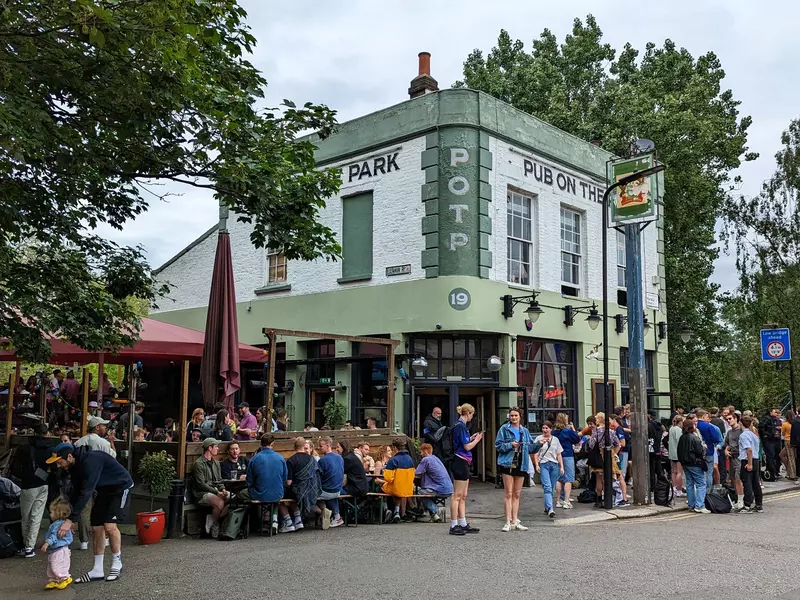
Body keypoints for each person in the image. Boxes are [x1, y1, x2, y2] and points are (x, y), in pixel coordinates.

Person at [46, 442, 134, 583]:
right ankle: (97, 570)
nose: (58, 465)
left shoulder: (90, 461)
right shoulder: (73, 467)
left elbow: (86, 492)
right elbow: (76, 492)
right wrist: (68, 518)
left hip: (121, 487)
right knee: (96, 527)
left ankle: (117, 563)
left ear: (69, 456)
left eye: (59, 461)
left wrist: (70, 521)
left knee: (109, 526)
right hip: (104, 490)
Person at [74, 415, 117, 551]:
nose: (105, 427)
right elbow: (112, 457)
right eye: (103, 425)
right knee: (101, 508)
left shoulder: (79, 442)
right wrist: (112, 443)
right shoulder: (103, 443)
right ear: (97, 427)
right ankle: (102, 538)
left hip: (83, 478)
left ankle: (84, 540)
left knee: (84, 509)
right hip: (101, 479)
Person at [495, 407, 539, 530]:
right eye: (512, 415)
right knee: (508, 493)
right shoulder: (504, 429)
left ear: (520, 417)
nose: (513, 418)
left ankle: (515, 520)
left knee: (517, 494)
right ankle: (507, 521)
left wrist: (540, 443)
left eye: (516, 415)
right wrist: (510, 445)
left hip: (521, 462)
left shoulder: (524, 431)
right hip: (507, 462)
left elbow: (530, 448)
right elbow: (498, 445)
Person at [15, 422, 52, 558]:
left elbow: (17, 467)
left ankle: (26, 545)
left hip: (28, 484)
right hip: (44, 483)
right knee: (36, 516)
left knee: (25, 516)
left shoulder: (25, 448)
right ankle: (30, 546)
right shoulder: (49, 448)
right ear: (46, 433)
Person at [449, 403, 482, 536]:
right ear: (468, 413)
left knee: (463, 495)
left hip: (462, 460)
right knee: (457, 495)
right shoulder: (461, 426)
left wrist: (471, 438)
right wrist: (477, 440)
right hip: (460, 460)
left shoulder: (459, 426)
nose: (471, 417)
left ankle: (462, 523)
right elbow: (467, 447)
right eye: (471, 414)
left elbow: (464, 442)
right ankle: (453, 524)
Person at [192, 438, 230, 538]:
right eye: (216, 446)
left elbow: (219, 480)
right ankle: (215, 524)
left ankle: (212, 518)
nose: (218, 448)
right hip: (201, 493)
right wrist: (217, 492)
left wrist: (223, 489)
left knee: (232, 498)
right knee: (220, 502)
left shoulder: (216, 463)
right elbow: (201, 484)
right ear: (210, 448)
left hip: (215, 491)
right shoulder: (199, 464)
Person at [283, 437, 320, 532]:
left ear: (294, 447)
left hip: (298, 491)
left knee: (281, 496)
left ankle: (288, 521)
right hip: (311, 490)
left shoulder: (291, 460)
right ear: (304, 446)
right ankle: (298, 520)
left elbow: (289, 482)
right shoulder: (312, 459)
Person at [677, 419, 710, 514]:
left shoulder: (682, 437)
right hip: (695, 463)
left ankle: (691, 505)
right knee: (701, 484)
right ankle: (700, 506)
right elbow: (699, 451)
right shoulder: (694, 437)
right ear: (692, 427)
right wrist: (704, 448)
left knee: (690, 484)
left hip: (685, 464)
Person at [533, 421, 564, 518]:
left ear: (551, 429)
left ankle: (547, 506)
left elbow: (559, 454)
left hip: (554, 465)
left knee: (551, 487)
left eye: (547, 428)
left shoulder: (555, 440)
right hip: (544, 464)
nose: (545, 430)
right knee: (547, 486)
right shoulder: (538, 439)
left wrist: (561, 466)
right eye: (543, 428)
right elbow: (535, 453)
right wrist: (536, 465)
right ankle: (550, 508)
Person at [41, 498, 73, 590]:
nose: (50, 514)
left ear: (58, 513)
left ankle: (65, 578)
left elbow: (54, 536)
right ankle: (54, 580)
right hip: (55, 549)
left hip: (59, 549)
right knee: (51, 567)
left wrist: (47, 543)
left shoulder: (58, 525)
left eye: (51, 512)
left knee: (56, 565)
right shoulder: (58, 524)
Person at [588, 412, 620, 508]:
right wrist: (614, 454)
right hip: (609, 455)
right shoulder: (611, 432)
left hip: (598, 456)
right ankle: (608, 499)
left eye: (597, 418)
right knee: (607, 479)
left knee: (599, 479)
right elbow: (618, 444)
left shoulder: (595, 431)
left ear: (599, 419)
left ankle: (598, 500)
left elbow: (591, 445)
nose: (595, 419)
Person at [415, 443, 453, 522]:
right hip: (449, 488)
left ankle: (436, 509)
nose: (421, 454)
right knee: (426, 492)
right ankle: (435, 516)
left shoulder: (426, 460)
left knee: (418, 492)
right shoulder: (436, 458)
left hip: (439, 489)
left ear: (425, 451)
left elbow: (416, 473)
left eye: (421, 452)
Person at [381, 438, 415, 522]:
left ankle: (386, 510)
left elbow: (388, 478)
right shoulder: (410, 459)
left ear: (395, 448)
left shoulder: (393, 460)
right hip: (408, 489)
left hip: (396, 489)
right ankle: (396, 512)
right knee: (398, 490)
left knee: (380, 488)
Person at [317, 436, 345, 528]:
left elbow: (318, 478)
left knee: (309, 495)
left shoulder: (322, 460)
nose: (319, 448)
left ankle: (323, 511)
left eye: (321, 446)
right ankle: (337, 516)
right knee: (331, 492)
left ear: (327, 445)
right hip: (338, 490)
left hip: (326, 491)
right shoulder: (340, 458)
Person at [739, 415, 763, 513]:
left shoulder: (744, 435)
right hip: (756, 460)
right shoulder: (754, 434)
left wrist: (749, 464)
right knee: (755, 483)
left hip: (748, 460)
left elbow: (749, 449)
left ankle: (747, 505)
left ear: (741, 423)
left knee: (747, 482)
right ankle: (758, 504)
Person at [695, 409, 723, 489]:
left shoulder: (694, 426)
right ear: (703, 416)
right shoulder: (709, 426)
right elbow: (716, 439)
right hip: (709, 450)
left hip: (697, 452)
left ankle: (699, 491)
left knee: (699, 474)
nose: (708, 419)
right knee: (709, 473)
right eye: (707, 417)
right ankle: (708, 491)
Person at [724, 411, 744, 510]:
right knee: (733, 479)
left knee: (738, 479)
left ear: (736, 419)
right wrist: (726, 450)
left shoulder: (741, 431)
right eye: (727, 419)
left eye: (730, 419)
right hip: (732, 457)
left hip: (740, 457)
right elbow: (727, 443)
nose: (728, 421)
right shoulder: (729, 432)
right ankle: (738, 499)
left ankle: (741, 500)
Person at [761, 407, 782, 480]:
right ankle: (771, 474)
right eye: (774, 412)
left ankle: (773, 472)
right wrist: (768, 435)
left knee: (774, 456)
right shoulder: (766, 419)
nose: (776, 413)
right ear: (770, 413)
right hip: (768, 441)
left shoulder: (774, 420)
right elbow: (761, 428)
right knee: (770, 457)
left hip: (773, 440)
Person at [668, 414, 684, 498]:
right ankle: (679, 489)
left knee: (673, 471)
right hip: (678, 453)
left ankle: (673, 488)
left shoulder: (671, 428)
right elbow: (680, 441)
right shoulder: (678, 430)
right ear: (680, 422)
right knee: (679, 472)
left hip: (671, 452)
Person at [782, 410, 796, 480]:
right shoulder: (795, 423)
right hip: (794, 440)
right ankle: (789, 470)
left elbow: (783, 433)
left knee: (791, 458)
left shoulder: (785, 424)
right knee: (781, 455)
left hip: (787, 440)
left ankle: (792, 474)